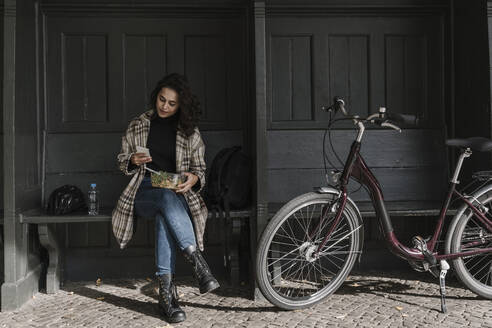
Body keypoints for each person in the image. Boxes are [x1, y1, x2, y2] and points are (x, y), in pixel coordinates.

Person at [112, 73, 219, 323]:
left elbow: (200, 170)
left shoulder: (189, 131)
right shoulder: (139, 125)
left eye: (172, 104)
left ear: (181, 105)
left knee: (165, 213)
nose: (165, 106)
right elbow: (121, 160)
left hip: (175, 191)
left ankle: (167, 298)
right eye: (162, 100)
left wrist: (193, 178)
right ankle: (197, 263)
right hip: (144, 190)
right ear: (156, 96)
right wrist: (131, 160)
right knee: (162, 199)